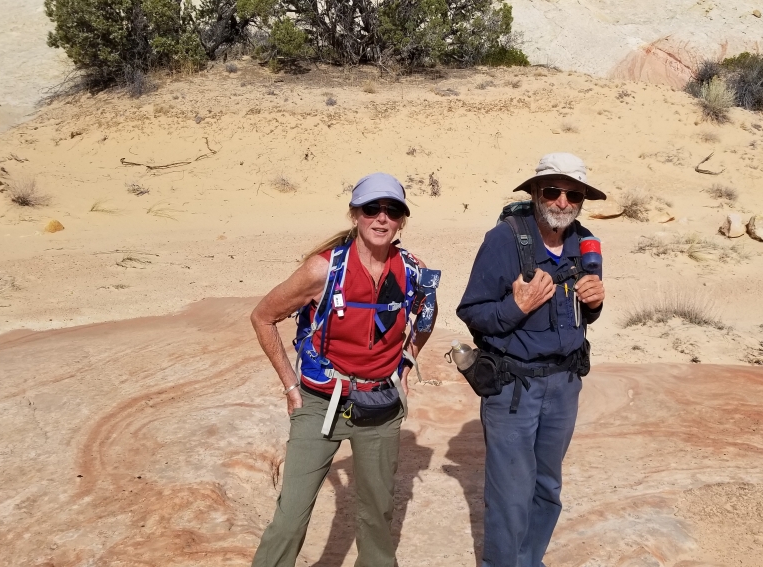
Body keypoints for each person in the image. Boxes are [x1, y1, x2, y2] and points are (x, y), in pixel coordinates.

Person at [249, 172, 439, 567]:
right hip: (320, 403)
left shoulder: (412, 269)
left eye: (393, 210)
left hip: (380, 404)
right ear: (355, 214)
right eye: (372, 209)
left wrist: (406, 362)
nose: (382, 219)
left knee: (377, 516)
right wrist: (289, 386)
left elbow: (426, 315)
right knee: (290, 517)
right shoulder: (322, 269)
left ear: (402, 220)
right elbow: (263, 317)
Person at [456, 153, 607, 567]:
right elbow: (472, 312)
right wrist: (514, 309)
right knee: (509, 494)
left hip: (564, 385)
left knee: (547, 488)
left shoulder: (585, 243)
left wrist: (594, 305)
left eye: (573, 194)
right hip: (513, 390)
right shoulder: (503, 240)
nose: (562, 202)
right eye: (553, 191)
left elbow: (579, 311)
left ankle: (529, 560)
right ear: (537, 193)